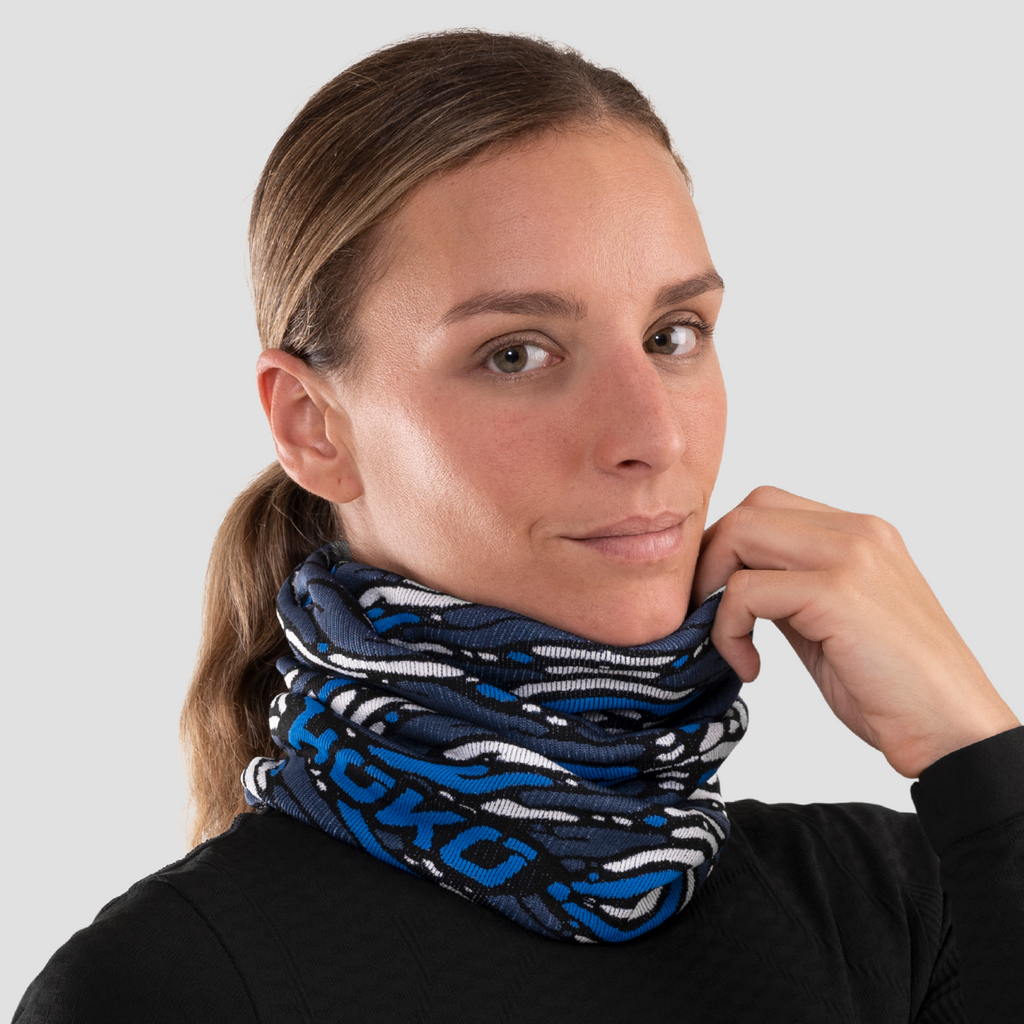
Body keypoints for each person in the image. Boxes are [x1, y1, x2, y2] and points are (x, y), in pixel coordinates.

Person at [14, 29, 1023, 1023]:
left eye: (672, 335)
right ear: (313, 426)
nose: (653, 436)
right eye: (516, 353)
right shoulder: (164, 987)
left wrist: (979, 754)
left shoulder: (900, 906)